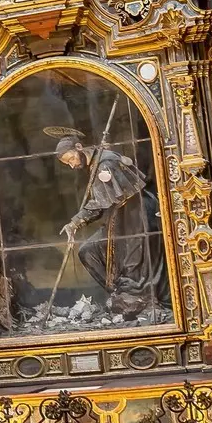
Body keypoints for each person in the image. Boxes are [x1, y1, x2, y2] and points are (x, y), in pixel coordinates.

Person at [56, 133, 160, 320]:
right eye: (67, 163)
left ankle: (135, 298)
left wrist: (76, 221)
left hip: (135, 217)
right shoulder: (97, 162)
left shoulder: (105, 164)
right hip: (120, 218)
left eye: (71, 159)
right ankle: (119, 294)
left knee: (131, 264)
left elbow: (101, 203)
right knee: (88, 251)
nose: (72, 165)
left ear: (79, 147)